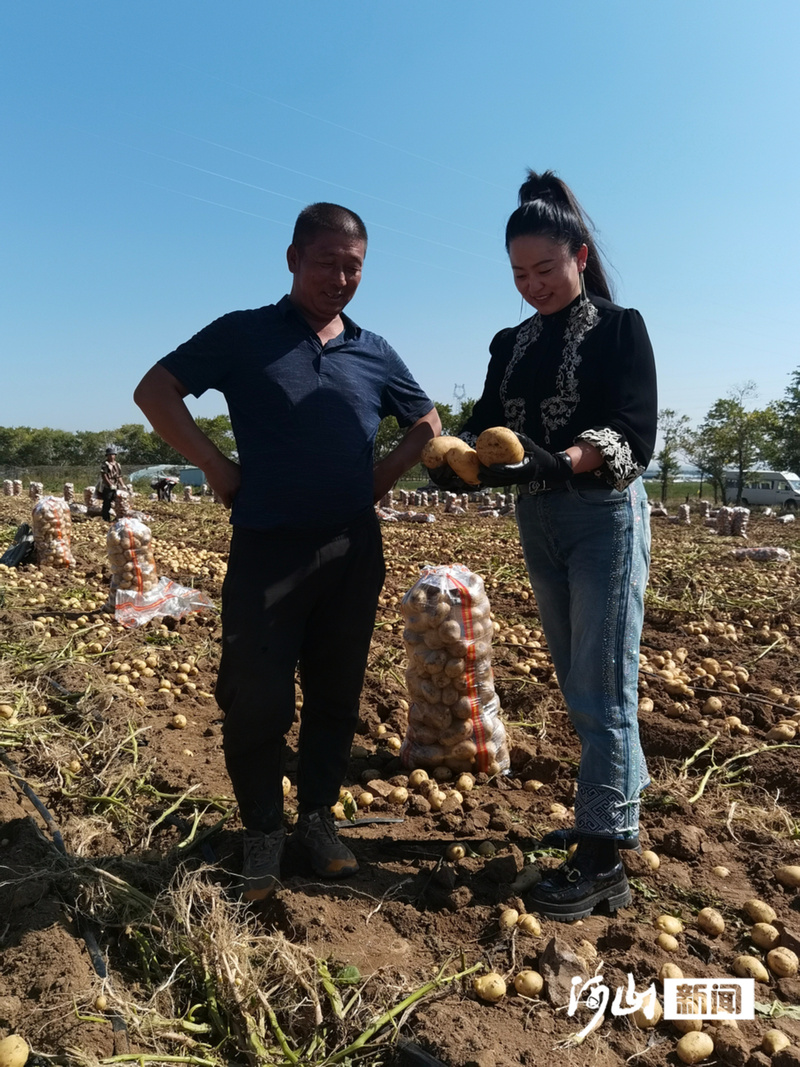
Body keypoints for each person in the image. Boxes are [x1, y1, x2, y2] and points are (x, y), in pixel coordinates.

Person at [134, 202, 440, 901]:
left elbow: (426, 420)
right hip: (268, 548)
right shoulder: (244, 334)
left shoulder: (372, 349)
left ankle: (317, 821)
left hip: (351, 550)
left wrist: (382, 476)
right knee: (257, 696)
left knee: (337, 692)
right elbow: (155, 390)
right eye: (328, 262)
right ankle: (262, 831)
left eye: (354, 267)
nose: (341, 278)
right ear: (294, 258)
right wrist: (213, 464)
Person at [432, 170, 657, 922]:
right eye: (519, 274)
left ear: (579, 257)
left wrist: (559, 462)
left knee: (602, 684)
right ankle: (613, 813)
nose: (533, 286)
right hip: (540, 519)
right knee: (578, 674)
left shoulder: (621, 329)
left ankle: (603, 862)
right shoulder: (512, 342)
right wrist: (457, 462)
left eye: (546, 269)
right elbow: (487, 422)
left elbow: (633, 433)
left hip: (603, 517)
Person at [99, 447, 124, 521]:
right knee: (107, 502)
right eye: (109, 455)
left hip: (116, 485)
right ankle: (106, 518)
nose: (111, 456)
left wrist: (123, 485)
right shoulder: (105, 464)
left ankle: (118, 517)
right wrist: (110, 485)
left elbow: (119, 476)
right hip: (108, 486)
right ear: (107, 456)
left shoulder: (117, 464)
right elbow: (104, 476)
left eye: (113, 455)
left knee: (118, 501)